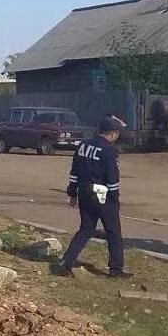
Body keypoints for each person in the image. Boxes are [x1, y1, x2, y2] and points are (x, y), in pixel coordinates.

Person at [53, 116, 129, 278]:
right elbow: (112, 177)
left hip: (84, 191)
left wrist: (72, 193)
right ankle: (116, 269)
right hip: (101, 192)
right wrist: (114, 198)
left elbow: (74, 172)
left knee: (86, 228)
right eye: (117, 133)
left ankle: (66, 261)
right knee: (113, 231)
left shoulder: (83, 145)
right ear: (112, 133)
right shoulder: (109, 150)